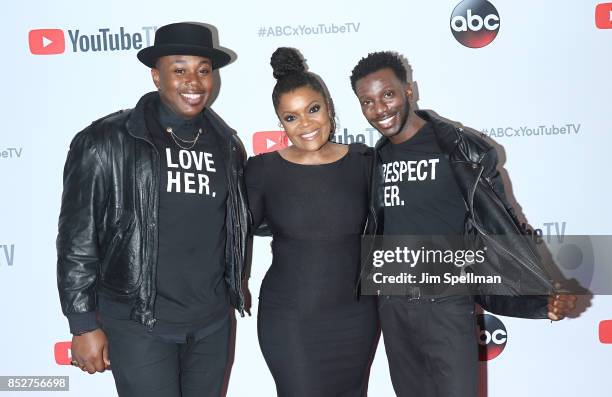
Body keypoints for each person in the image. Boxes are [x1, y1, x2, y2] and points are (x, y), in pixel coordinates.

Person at [349, 51, 577, 397]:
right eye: (367, 101)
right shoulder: (374, 160)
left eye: (388, 94)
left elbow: (500, 225)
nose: (379, 109)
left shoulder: (458, 149)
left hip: (447, 305)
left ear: (410, 90)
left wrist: (540, 294)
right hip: (394, 309)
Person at [56, 22, 249, 397]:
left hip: (211, 322)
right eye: (180, 70)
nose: (194, 81)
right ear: (156, 75)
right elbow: (77, 239)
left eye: (203, 70)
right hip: (139, 322)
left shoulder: (226, 145)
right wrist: (81, 324)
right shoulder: (105, 141)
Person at [245, 47, 379, 397]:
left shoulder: (366, 162)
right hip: (290, 320)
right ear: (280, 122)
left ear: (329, 107)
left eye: (313, 109)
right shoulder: (262, 170)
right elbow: (229, 231)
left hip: (357, 317)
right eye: (291, 118)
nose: (305, 124)